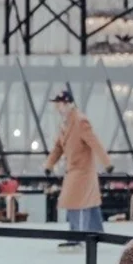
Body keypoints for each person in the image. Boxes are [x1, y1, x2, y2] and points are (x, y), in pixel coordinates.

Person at [45, 90, 113, 249]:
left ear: (68, 103)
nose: (57, 107)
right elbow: (58, 148)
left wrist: (107, 163)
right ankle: (95, 233)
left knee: (76, 203)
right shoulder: (66, 123)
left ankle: (78, 236)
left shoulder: (80, 121)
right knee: (87, 203)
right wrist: (49, 165)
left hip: (83, 172)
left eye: (59, 104)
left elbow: (94, 142)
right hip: (74, 170)